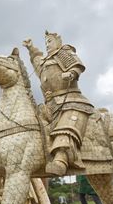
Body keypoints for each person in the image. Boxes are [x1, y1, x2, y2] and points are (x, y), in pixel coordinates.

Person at [23, 32, 94, 176]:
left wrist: (72, 74)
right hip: (49, 105)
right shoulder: (45, 62)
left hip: (70, 100)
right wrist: (31, 49)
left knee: (68, 122)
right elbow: (37, 61)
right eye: (46, 42)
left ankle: (61, 159)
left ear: (57, 41)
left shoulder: (63, 52)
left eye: (50, 41)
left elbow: (76, 66)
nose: (47, 45)